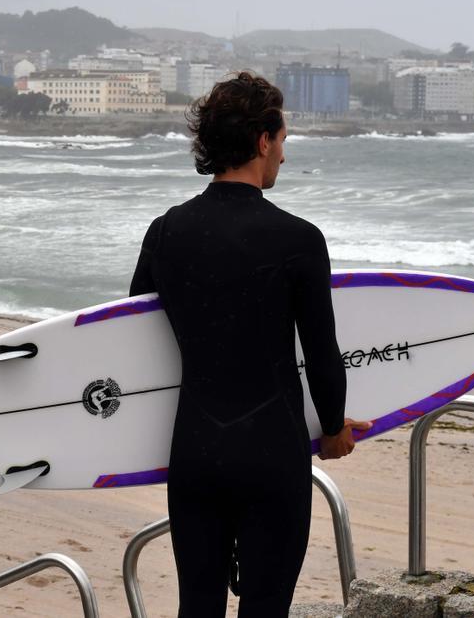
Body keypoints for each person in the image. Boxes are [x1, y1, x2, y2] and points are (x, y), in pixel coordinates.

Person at [129, 72, 371, 617]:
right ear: (262, 140)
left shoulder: (165, 232)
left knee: (197, 604)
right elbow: (321, 352)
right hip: (272, 455)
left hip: (195, 451)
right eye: (283, 140)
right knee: (265, 608)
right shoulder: (299, 239)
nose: (283, 155)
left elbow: (134, 340)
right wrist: (332, 430)